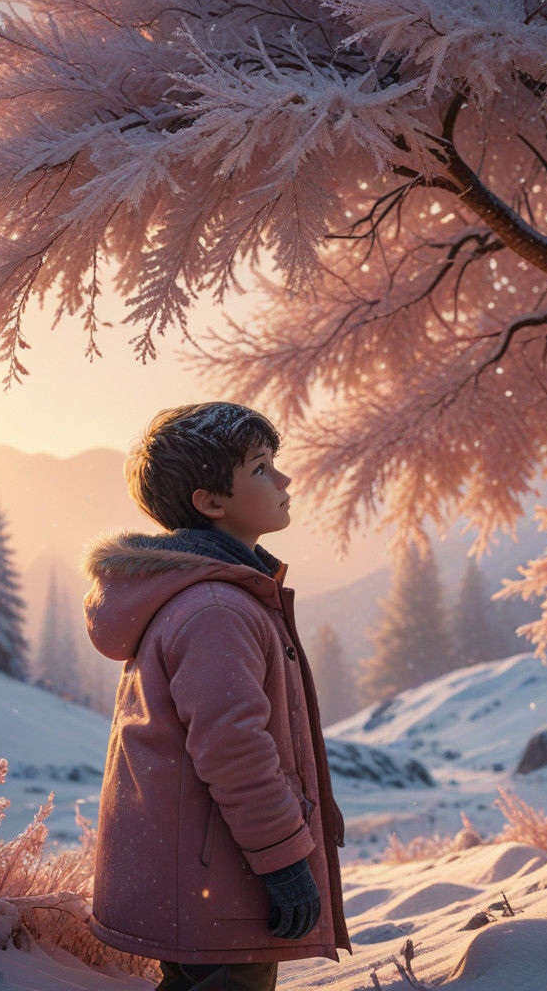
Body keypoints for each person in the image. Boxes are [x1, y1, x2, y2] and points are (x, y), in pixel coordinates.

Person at [82, 402, 351, 991]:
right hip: (225, 879)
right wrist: (283, 860)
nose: (284, 479)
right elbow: (234, 750)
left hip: (207, 875)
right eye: (260, 468)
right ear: (210, 502)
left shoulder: (217, 596)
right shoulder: (215, 610)